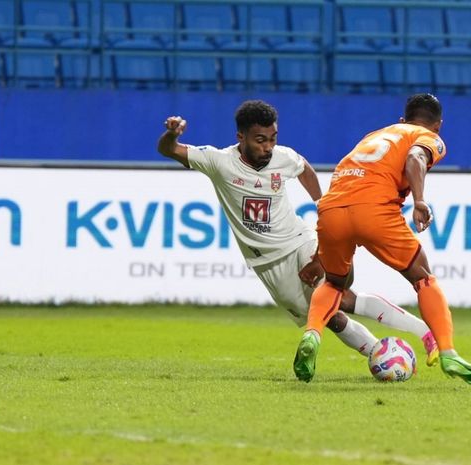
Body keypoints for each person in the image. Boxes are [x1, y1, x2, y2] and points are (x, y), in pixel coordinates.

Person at [157, 100, 439, 368]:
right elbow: (170, 150)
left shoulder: (284, 157)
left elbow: (303, 167)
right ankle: (380, 352)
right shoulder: (218, 161)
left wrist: (322, 207)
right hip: (267, 262)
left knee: (336, 291)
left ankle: (421, 335)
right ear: (240, 137)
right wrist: (171, 135)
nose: (268, 146)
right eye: (260, 140)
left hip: (301, 240)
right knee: (334, 315)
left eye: (273, 138)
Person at [293, 93, 471, 385]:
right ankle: (448, 351)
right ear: (438, 126)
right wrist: (420, 200)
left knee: (334, 283)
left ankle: (312, 333)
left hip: (331, 208)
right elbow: (415, 158)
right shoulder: (427, 137)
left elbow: (348, 183)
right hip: (375, 209)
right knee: (423, 277)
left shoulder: (376, 135)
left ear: (402, 120)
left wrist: (321, 254)